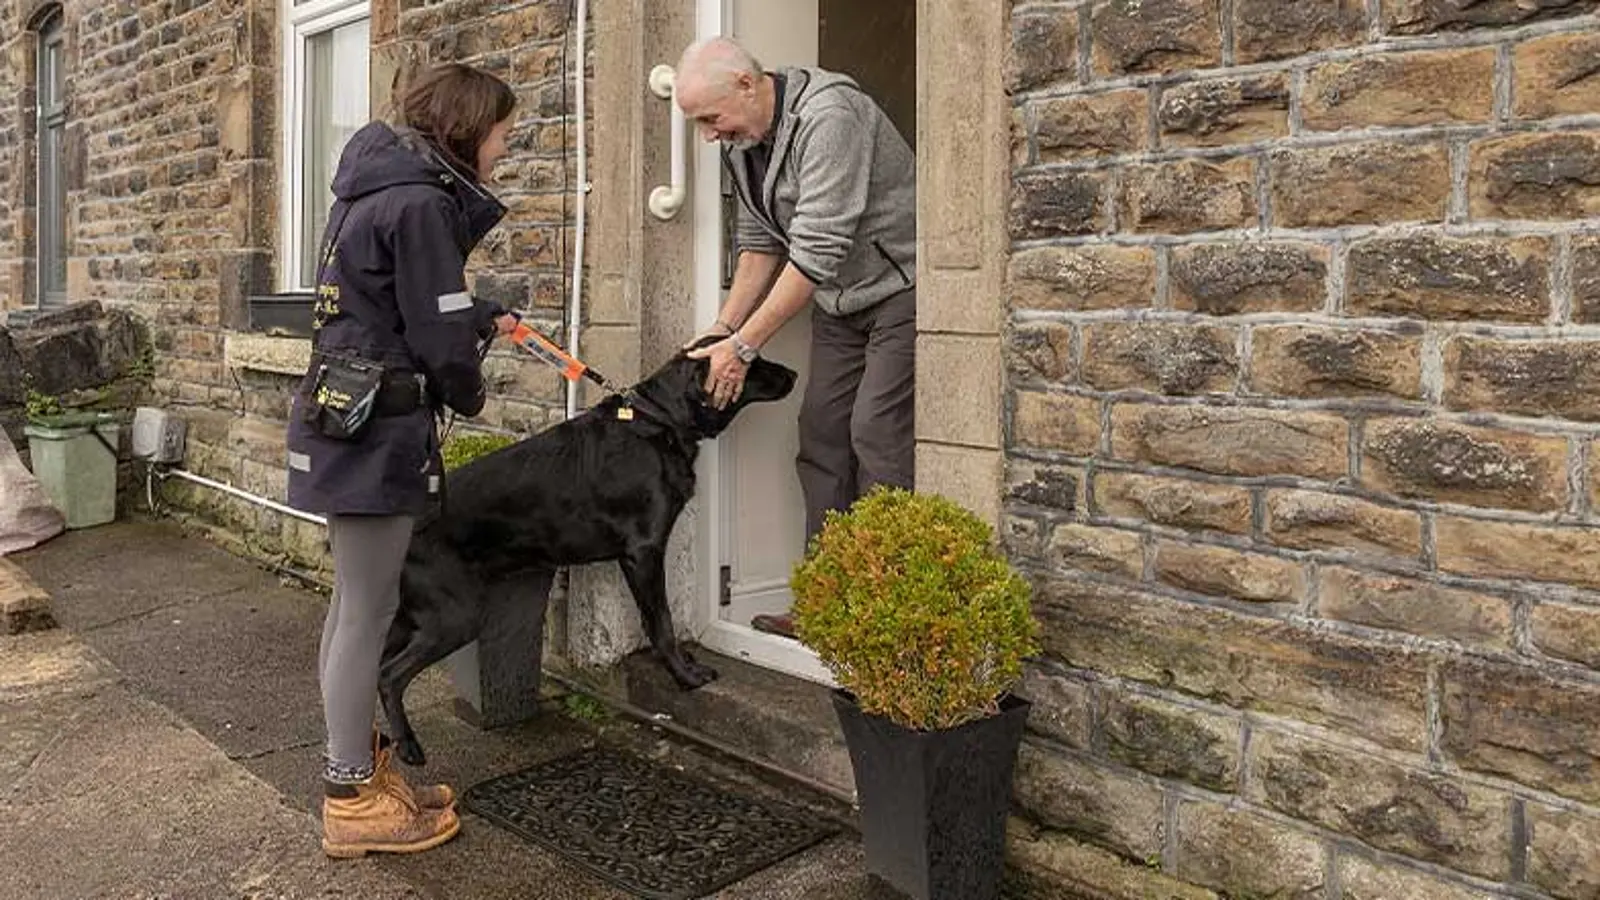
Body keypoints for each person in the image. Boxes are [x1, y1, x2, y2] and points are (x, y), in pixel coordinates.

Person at [284, 62, 520, 859]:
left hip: (344, 414)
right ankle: (350, 796)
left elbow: (384, 301)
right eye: (501, 134)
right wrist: (470, 380)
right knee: (368, 612)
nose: (503, 149)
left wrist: (478, 312)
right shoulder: (421, 202)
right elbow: (437, 342)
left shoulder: (374, 188)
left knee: (353, 605)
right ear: (469, 128)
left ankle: (360, 773)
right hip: (377, 429)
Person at [673, 37, 917, 638]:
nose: (708, 135)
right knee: (822, 434)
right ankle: (825, 601)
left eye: (710, 117)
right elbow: (760, 243)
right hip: (838, 300)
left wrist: (746, 346)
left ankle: (885, 609)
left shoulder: (831, 117)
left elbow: (816, 248)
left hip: (900, 289)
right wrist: (721, 329)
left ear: (748, 85)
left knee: (876, 434)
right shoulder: (743, 142)